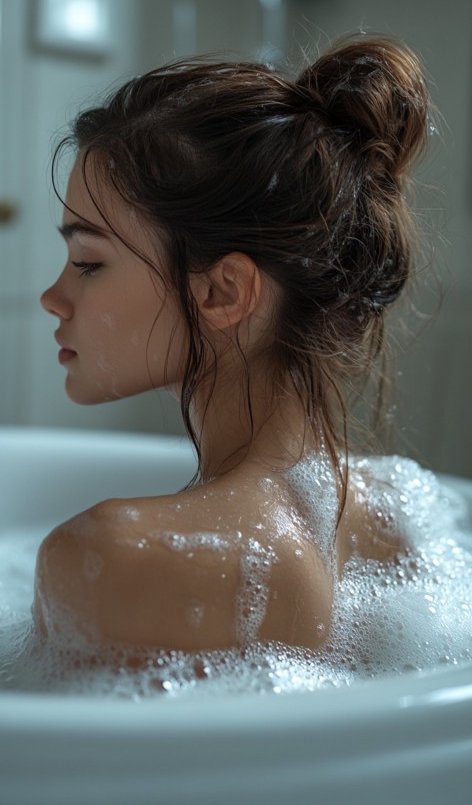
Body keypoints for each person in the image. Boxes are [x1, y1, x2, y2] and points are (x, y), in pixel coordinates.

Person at [35, 34, 430, 658]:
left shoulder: (111, 557)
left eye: (87, 262)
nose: (52, 297)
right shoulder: (399, 529)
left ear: (223, 292)